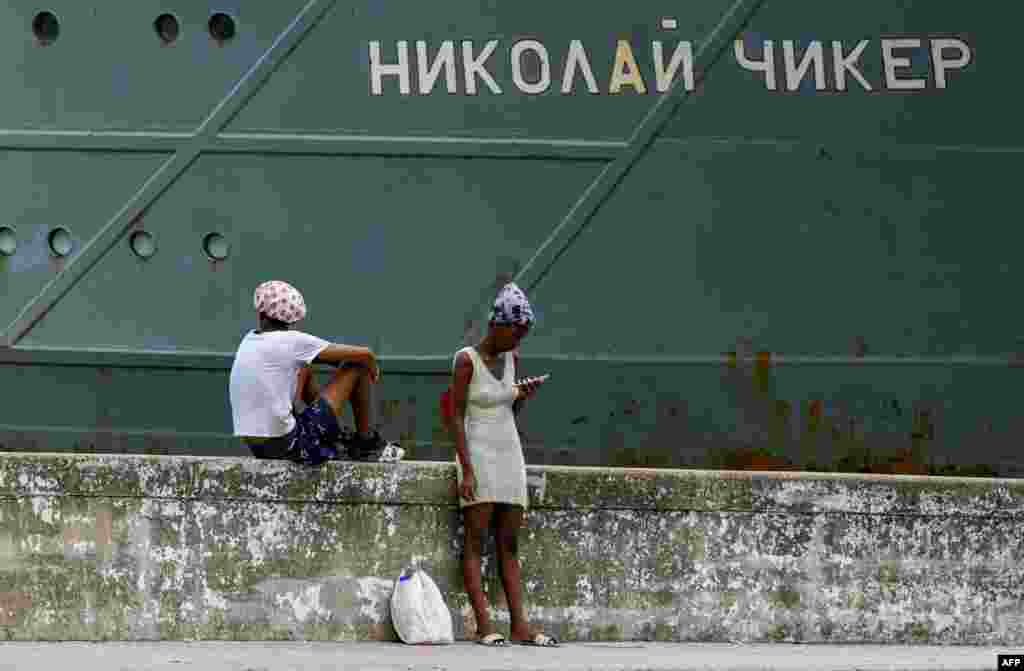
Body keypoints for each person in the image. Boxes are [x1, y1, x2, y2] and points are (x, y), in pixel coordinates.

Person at [449, 282, 558, 647]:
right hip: (477, 454)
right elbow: (455, 416)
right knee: (476, 541)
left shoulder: (513, 359)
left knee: (509, 543)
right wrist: (466, 470)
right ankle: (484, 626)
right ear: (497, 325)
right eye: (516, 332)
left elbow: (509, 410)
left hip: (510, 453)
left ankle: (520, 626)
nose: (519, 340)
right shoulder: (466, 360)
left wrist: (523, 396)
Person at [229, 280, 403, 465]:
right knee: (357, 367)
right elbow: (364, 355)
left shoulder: (249, 340)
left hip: (260, 446)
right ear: (293, 319)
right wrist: (371, 367)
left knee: (304, 366)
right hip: (291, 445)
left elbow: (311, 359)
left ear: (260, 313)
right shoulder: (293, 342)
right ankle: (366, 444)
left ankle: (338, 436)